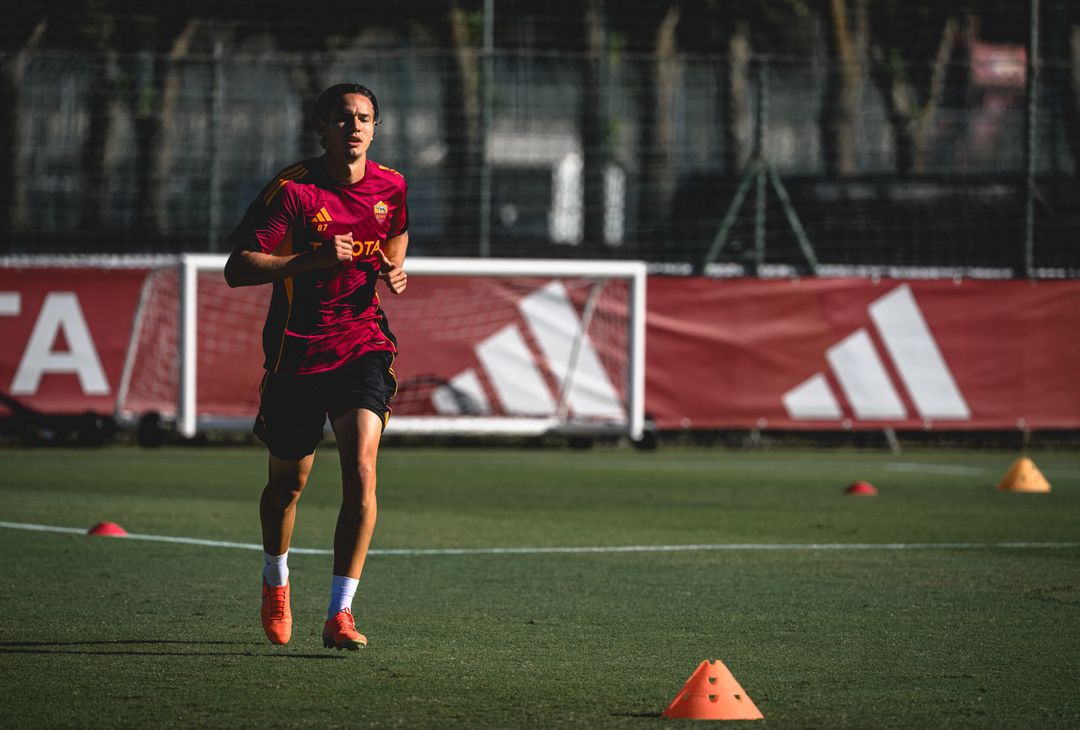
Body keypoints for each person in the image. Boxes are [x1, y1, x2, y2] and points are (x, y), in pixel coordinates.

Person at [224, 83, 408, 651]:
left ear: (375, 128)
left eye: (366, 118)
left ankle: (340, 614)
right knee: (287, 486)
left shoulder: (393, 186)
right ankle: (276, 580)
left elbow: (394, 239)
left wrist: (389, 270)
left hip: (363, 345)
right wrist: (311, 260)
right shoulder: (294, 189)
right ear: (322, 127)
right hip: (297, 353)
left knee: (361, 467)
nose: (355, 126)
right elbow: (238, 267)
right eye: (344, 117)